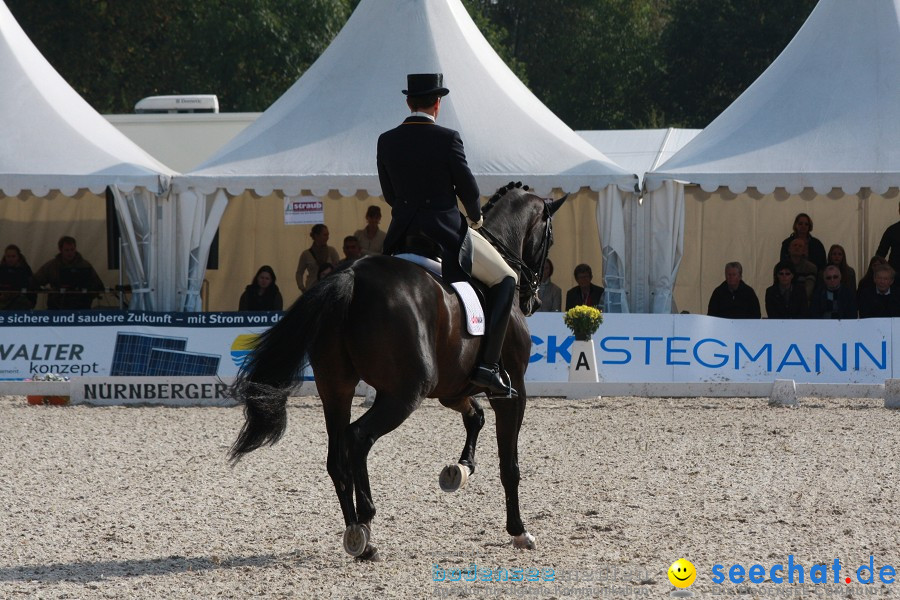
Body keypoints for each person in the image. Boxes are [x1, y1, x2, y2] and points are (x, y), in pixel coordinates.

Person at [377, 73, 518, 396]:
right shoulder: (448, 138)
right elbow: (468, 188)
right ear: (437, 103)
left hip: (401, 235)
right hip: (444, 234)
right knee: (506, 279)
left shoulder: (386, 140)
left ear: (409, 102)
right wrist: (476, 216)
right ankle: (487, 366)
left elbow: (389, 194)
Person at [32, 236, 104, 310]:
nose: (70, 253)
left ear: (75, 249)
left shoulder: (85, 265)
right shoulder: (52, 266)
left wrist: (87, 294)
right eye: (67, 250)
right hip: (57, 307)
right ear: (60, 250)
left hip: (81, 307)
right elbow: (35, 281)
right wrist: (50, 290)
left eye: (72, 250)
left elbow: (98, 285)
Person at [295, 224, 340, 293]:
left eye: (328, 235)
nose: (327, 237)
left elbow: (338, 269)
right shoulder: (306, 254)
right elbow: (299, 273)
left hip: (329, 289)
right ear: (316, 236)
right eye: (325, 235)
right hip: (312, 289)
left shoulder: (332, 251)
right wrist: (302, 288)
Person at [0, 244, 35, 309]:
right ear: (5, 257)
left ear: (18, 257)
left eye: (13, 256)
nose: (10, 259)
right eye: (8, 256)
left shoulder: (25, 269)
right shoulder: (1, 269)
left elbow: (31, 286)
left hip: (21, 301)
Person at [786, 237, 818, 302]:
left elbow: (809, 289)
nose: (797, 247)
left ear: (804, 250)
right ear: (789, 249)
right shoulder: (780, 267)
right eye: (794, 245)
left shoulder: (811, 268)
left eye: (800, 246)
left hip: (804, 303)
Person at [876, 200, 900, 272]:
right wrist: (886, 269)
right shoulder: (892, 230)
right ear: (899, 211)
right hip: (895, 275)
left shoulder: (892, 229)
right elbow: (880, 254)